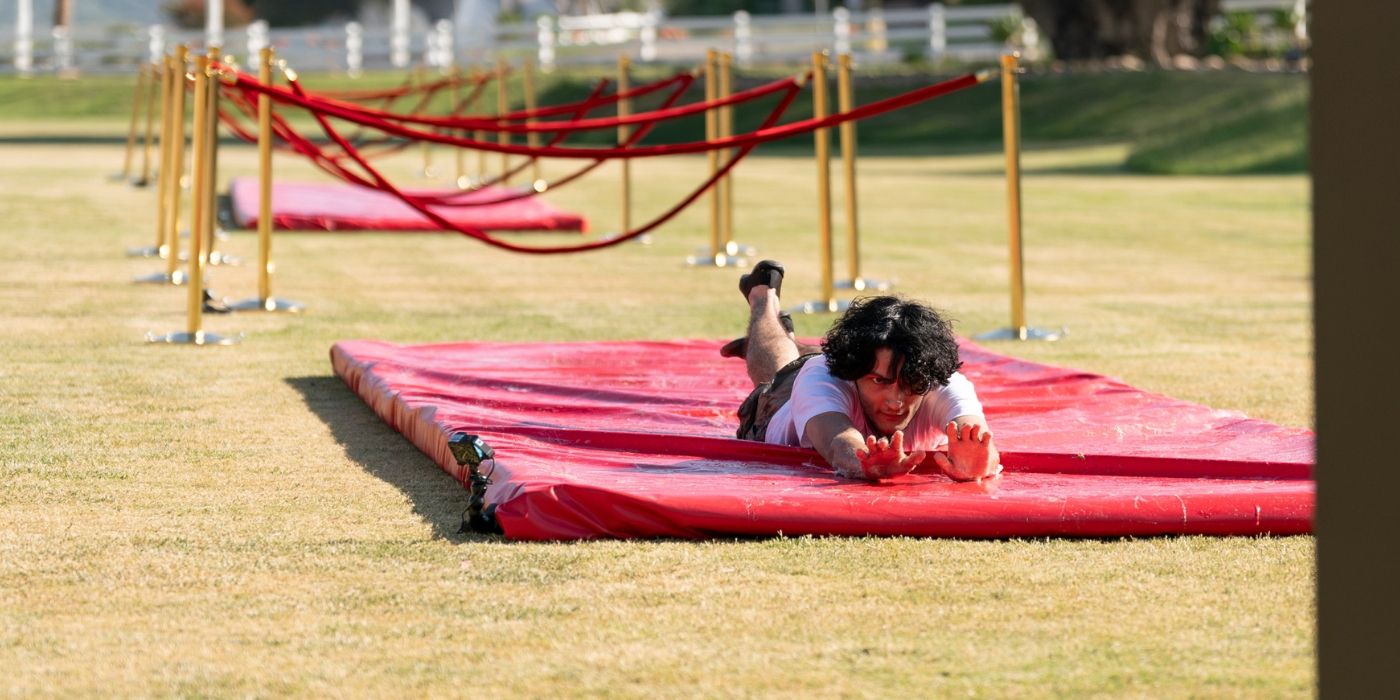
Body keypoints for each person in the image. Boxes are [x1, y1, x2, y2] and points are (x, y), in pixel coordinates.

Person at [730, 260, 1001, 483]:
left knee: (806, 356)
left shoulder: (941, 379)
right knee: (776, 369)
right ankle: (763, 297)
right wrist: (862, 461)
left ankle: (793, 338)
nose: (896, 401)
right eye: (879, 381)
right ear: (853, 372)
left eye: (911, 384)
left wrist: (980, 461)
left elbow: (977, 437)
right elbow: (839, 443)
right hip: (779, 403)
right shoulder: (821, 377)